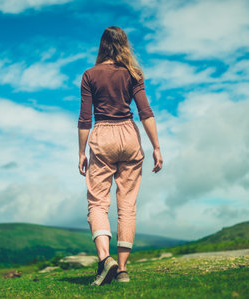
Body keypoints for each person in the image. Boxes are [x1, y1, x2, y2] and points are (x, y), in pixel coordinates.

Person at [77, 26, 163, 286]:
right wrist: (156, 146)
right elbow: (145, 111)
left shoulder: (90, 75)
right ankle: (123, 270)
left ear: (102, 45)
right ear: (125, 45)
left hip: (102, 135)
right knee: (127, 205)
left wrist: (81, 151)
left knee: (98, 202)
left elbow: (84, 118)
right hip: (129, 135)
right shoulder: (133, 73)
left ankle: (105, 260)